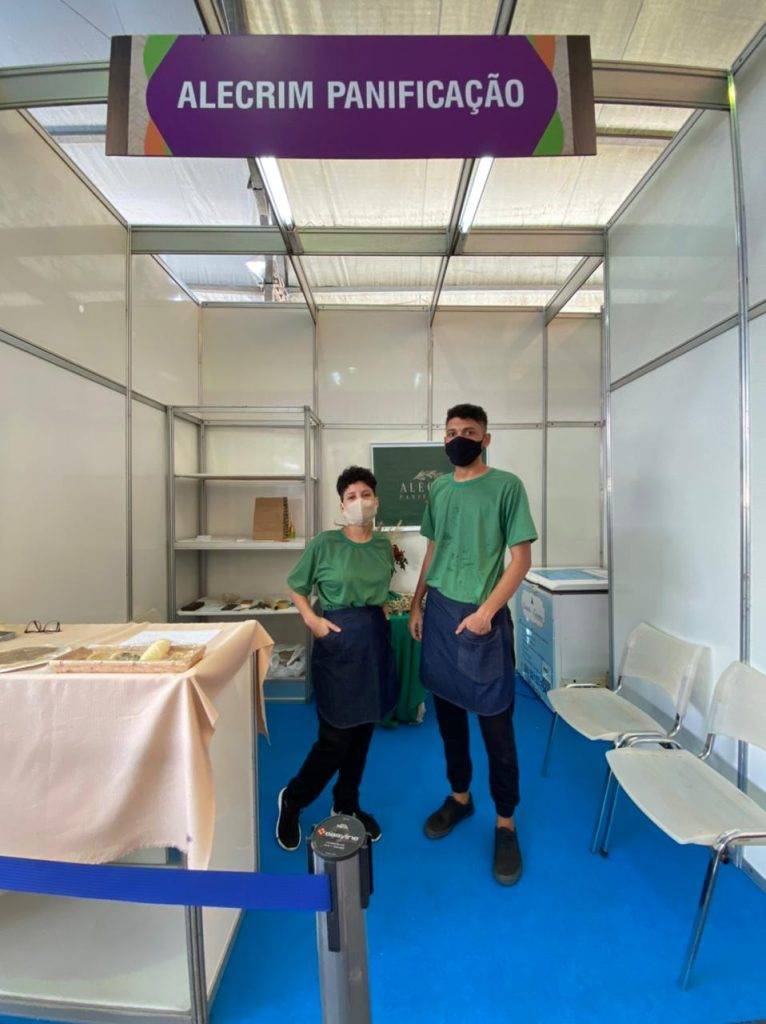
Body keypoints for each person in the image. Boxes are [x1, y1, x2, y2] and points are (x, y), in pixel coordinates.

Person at [409, 403, 537, 886]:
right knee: (449, 721)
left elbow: (520, 560)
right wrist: (417, 603)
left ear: (486, 438)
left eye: (468, 431)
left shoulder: (507, 487)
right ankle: (460, 798)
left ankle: (505, 823)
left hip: (483, 619)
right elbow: (433, 550)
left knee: (496, 728)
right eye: (450, 432)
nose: (457, 438)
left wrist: (486, 613)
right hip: (441, 613)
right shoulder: (440, 489)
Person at [275, 466, 399, 851]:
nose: (359, 502)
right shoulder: (325, 544)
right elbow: (296, 586)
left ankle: (346, 802)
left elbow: (381, 592)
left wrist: (380, 617)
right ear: (342, 505)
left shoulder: (383, 546)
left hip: (373, 642)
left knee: (362, 731)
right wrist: (313, 621)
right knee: (334, 738)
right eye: (351, 496)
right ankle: (293, 800)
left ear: (376, 500)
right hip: (338, 641)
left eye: (366, 494)